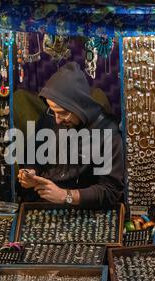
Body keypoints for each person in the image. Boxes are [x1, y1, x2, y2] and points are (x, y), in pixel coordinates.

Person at [17, 62, 124, 208]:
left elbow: (110, 191)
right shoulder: (50, 119)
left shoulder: (107, 132)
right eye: (52, 111)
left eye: (63, 113)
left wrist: (65, 196)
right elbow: (33, 157)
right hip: (44, 206)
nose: (57, 119)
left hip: (85, 212)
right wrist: (30, 173)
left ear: (79, 107)